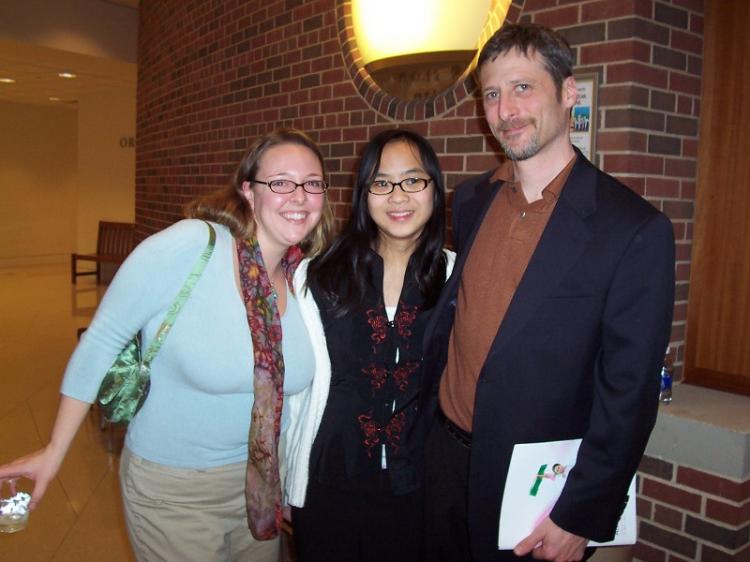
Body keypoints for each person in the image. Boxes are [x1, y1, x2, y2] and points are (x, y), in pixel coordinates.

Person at [0, 128, 334, 561]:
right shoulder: (193, 245)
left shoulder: (303, 279)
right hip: (173, 491)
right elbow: (101, 340)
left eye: (312, 183)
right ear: (249, 191)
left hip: (259, 491)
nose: (299, 195)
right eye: (281, 182)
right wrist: (53, 450)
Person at [422, 23, 675, 562]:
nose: (505, 109)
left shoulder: (632, 229)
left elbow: (628, 394)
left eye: (523, 87)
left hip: (535, 492)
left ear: (568, 94)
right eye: (492, 93)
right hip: (443, 462)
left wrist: (581, 512)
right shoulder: (471, 201)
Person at [286, 129, 455, 562]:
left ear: (435, 188)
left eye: (413, 180)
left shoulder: (459, 278)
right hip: (330, 485)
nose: (397, 196)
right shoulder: (316, 277)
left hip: (420, 492)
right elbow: (295, 389)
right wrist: (286, 478)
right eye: (381, 183)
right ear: (364, 194)